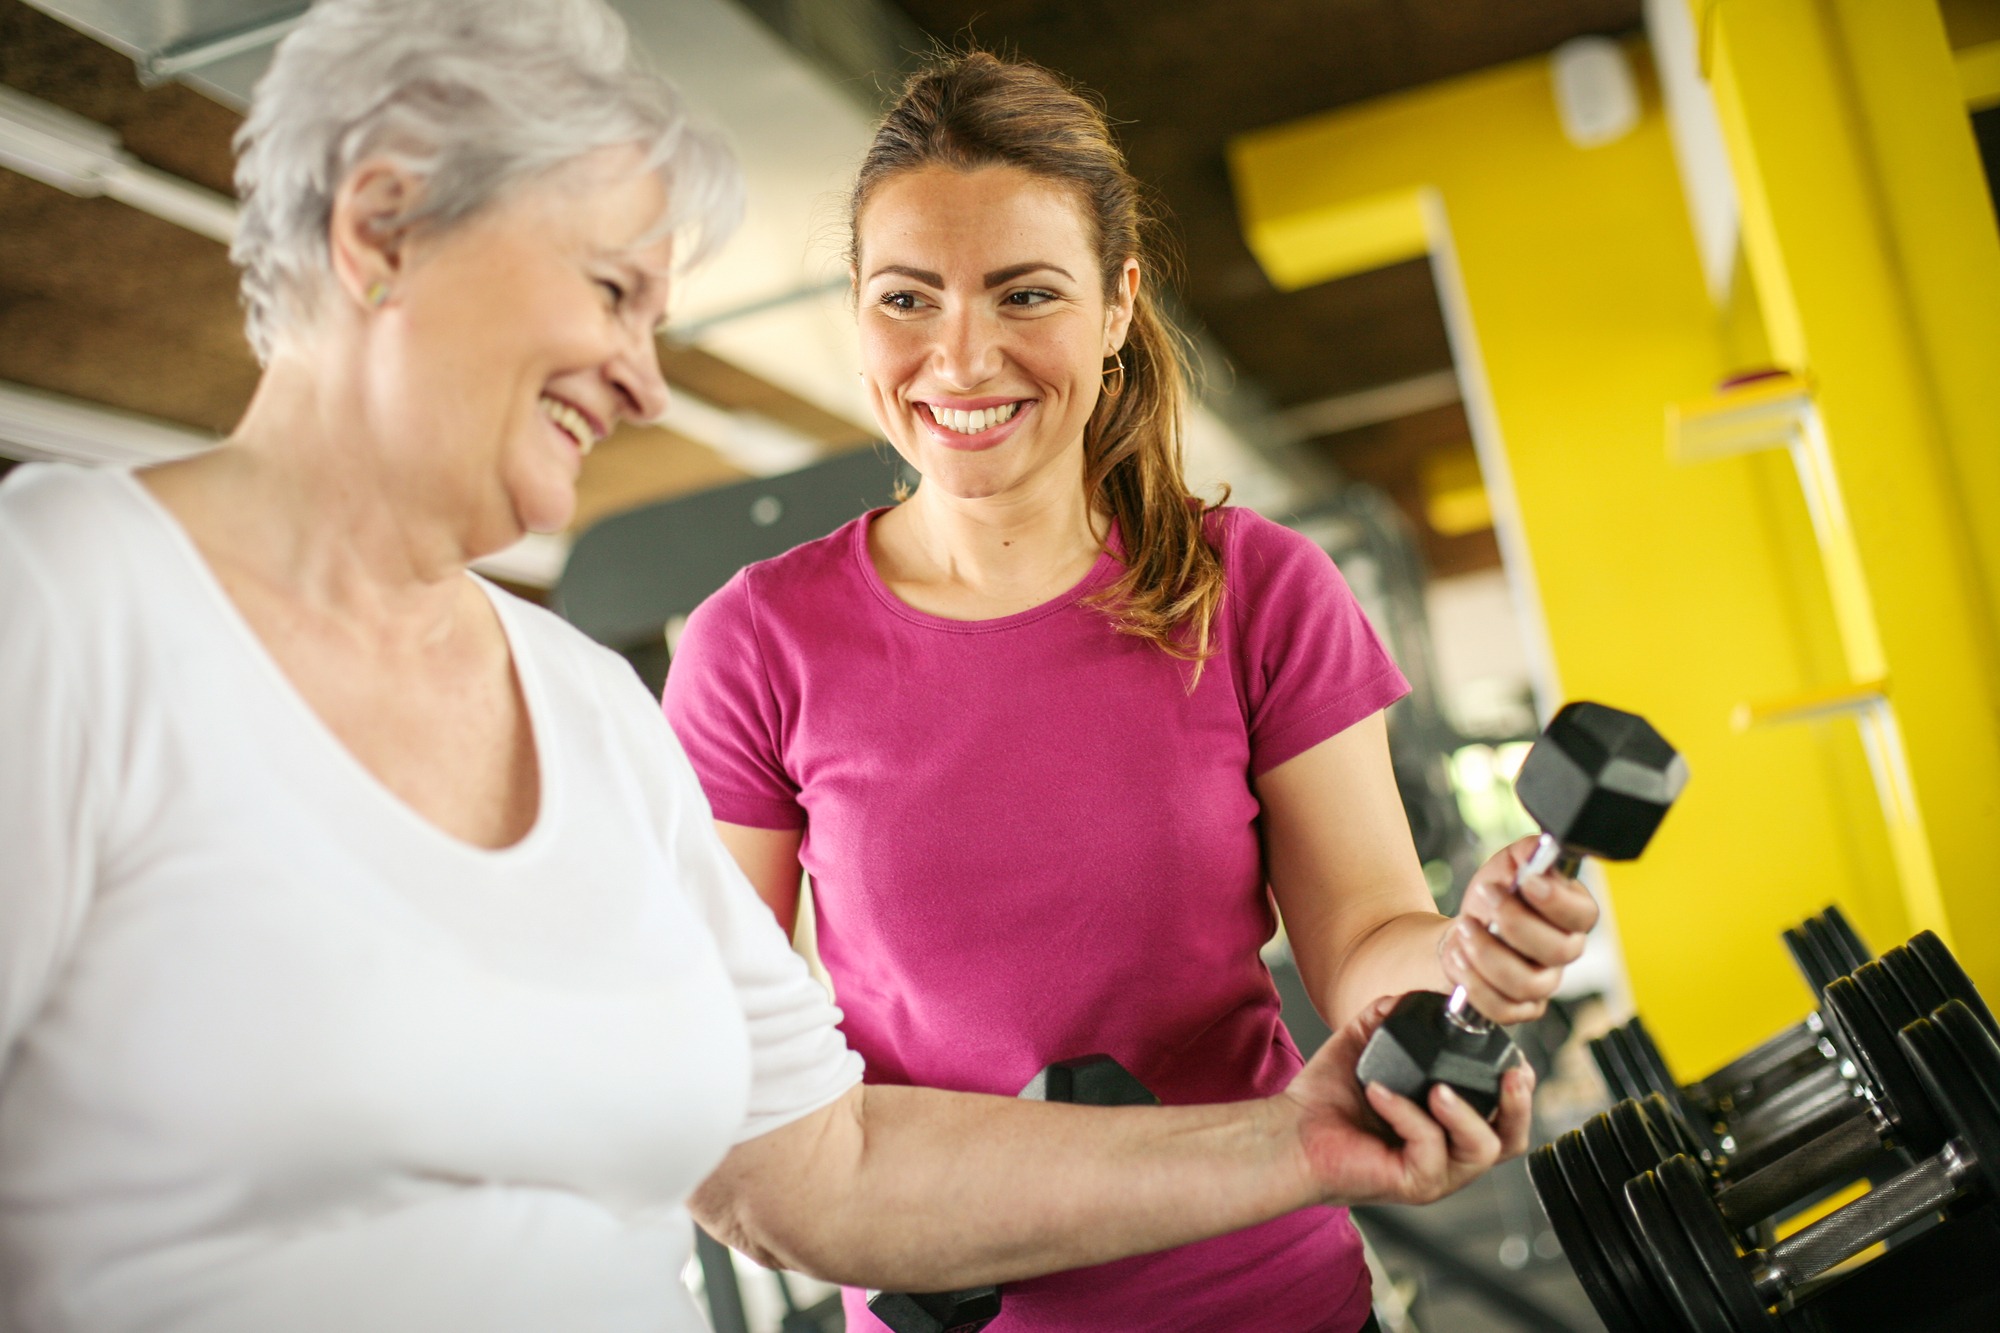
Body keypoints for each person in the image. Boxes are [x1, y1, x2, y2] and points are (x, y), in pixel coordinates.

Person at [0, 6, 1526, 1332]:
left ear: (1120, 307)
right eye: (613, 291)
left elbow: (806, 1164)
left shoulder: (578, 706)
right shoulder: (69, 605)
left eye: (661, 314)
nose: (652, 379)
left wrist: (1341, 1103)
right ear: (382, 229)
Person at [664, 51, 1601, 1333]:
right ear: (857, 310)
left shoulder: (1257, 589)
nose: (961, 354)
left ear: (1116, 306)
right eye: (906, 298)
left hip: (1264, 1296)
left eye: (1025, 292)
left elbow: (1365, 938)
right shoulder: (753, 646)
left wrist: (1465, 949)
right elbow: (732, 1065)